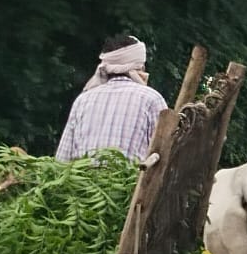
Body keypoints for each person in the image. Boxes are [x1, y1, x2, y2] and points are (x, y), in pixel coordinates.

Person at [55, 34, 168, 162]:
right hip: (130, 181)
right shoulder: (151, 99)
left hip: (82, 180)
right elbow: (165, 155)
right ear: (140, 67)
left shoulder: (84, 99)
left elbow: (62, 159)